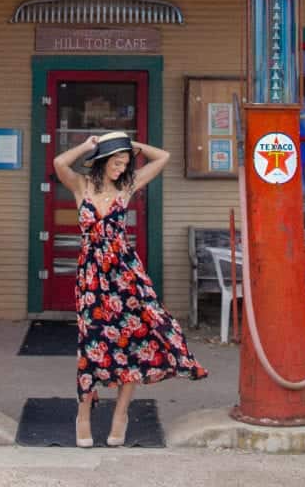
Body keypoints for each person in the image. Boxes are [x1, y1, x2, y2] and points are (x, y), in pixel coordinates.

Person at [53, 131, 208, 448]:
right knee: (92, 345)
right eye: (116, 162)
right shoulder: (81, 186)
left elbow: (162, 157)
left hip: (125, 275)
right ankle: (83, 415)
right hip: (92, 278)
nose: (120, 168)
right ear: (102, 161)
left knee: (134, 339)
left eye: (125, 163)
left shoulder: (127, 186)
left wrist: (134, 146)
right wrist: (88, 146)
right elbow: (58, 162)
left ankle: (120, 415)